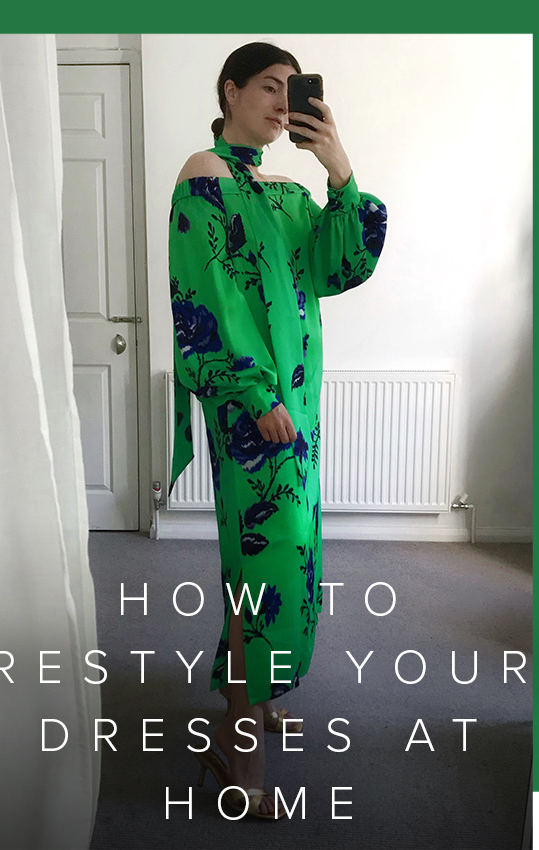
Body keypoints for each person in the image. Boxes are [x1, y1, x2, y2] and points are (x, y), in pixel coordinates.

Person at [167, 41, 387, 819]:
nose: (281, 100)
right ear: (230, 91)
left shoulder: (287, 195)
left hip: (298, 414)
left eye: (293, 91)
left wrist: (339, 168)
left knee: (289, 558)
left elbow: (341, 265)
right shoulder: (205, 175)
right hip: (254, 412)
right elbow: (206, 295)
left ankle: (251, 699)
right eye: (268, 86)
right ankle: (238, 743)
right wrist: (251, 389)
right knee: (262, 562)